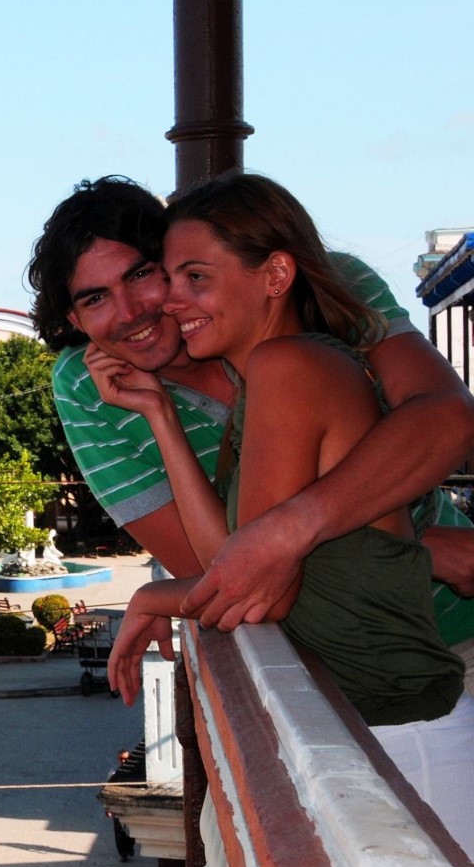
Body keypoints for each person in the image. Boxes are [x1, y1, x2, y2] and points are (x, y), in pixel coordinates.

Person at [101, 172, 474, 858]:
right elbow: (236, 562)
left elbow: (258, 592)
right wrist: (159, 413)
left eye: (195, 278)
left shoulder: (290, 367)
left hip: (403, 738)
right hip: (382, 728)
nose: (167, 302)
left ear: (274, 274)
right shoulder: (268, 382)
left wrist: (154, 592)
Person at [27, 175, 474, 668]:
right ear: (73, 320)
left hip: (456, 628)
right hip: (350, 667)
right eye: (95, 299)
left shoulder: (314, 284)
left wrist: (288, 531)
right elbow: (225, 575)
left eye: (141, 275)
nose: (130, 312)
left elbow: (447, 417)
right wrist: (422, 546)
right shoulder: (89, 388)